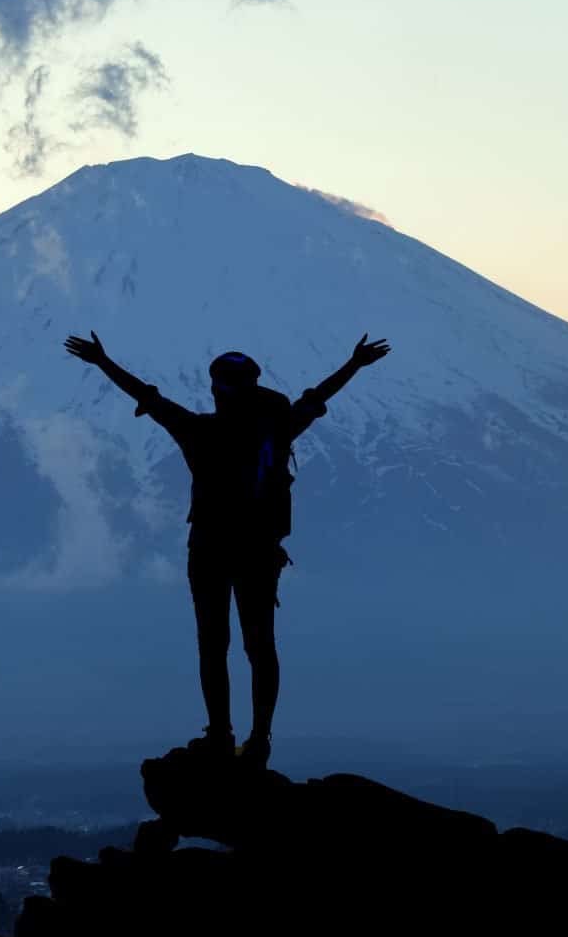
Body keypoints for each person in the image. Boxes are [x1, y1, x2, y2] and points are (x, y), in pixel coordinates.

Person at [63, 330, 392, 769]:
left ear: (217, 387)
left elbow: (149, 397)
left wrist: (103, 362)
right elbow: (315, 398)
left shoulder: (200, 432)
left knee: (212, 645)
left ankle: (220, 735)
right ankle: (258, 739)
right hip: (257, 552)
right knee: (260, 646)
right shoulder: (275, 432)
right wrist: (354, 364)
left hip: (208, 551)